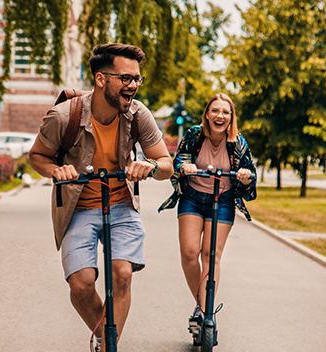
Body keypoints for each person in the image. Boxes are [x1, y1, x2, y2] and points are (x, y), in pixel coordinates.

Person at [29, 43, 173, 352]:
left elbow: (166, 165)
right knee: (81, 285)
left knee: (122, 273)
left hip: (121, 204)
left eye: (136, 78)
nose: (132, 85)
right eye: (125, 77)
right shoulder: (64, 115)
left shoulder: (138, 115)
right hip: (77, 208)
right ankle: (103, 335)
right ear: (101, 79)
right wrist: (56, 170)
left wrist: (147, 165)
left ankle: (108, 346)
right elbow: (36, 157)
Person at [158, 93, 257, 334]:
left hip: (221, 200)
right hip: (192, 198)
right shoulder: (194, 135)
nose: (219, 116)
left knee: (210, 255)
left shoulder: (239, 144)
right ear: (207, 114)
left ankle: (204, 312)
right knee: (190, 252)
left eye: (225, 112)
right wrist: (185, 166)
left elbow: (250, 184)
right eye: (215, 111)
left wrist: (245, 177)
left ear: (231, 117)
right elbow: (177, 162)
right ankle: (203, 307)